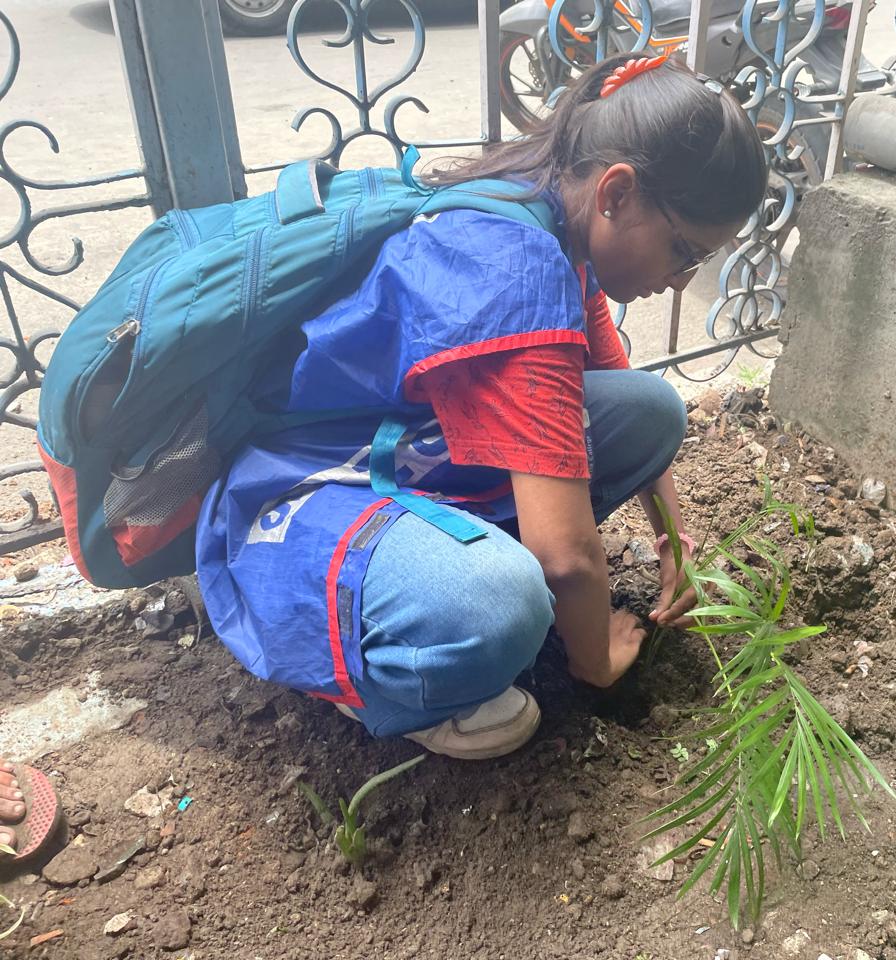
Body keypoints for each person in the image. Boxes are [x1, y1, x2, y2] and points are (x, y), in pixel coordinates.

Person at [195, 54, 769, 760]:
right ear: (617, 193)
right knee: (501, 600)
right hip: (301, 491)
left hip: (400, 446)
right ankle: (387, 678)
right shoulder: (517, 275)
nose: (681, 281)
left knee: (651, 411)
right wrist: (597, 663)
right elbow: (565, 560)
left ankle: (440, 581)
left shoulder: (551, 207)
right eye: (682, 251)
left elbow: (618, 384)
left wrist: (674, 542)